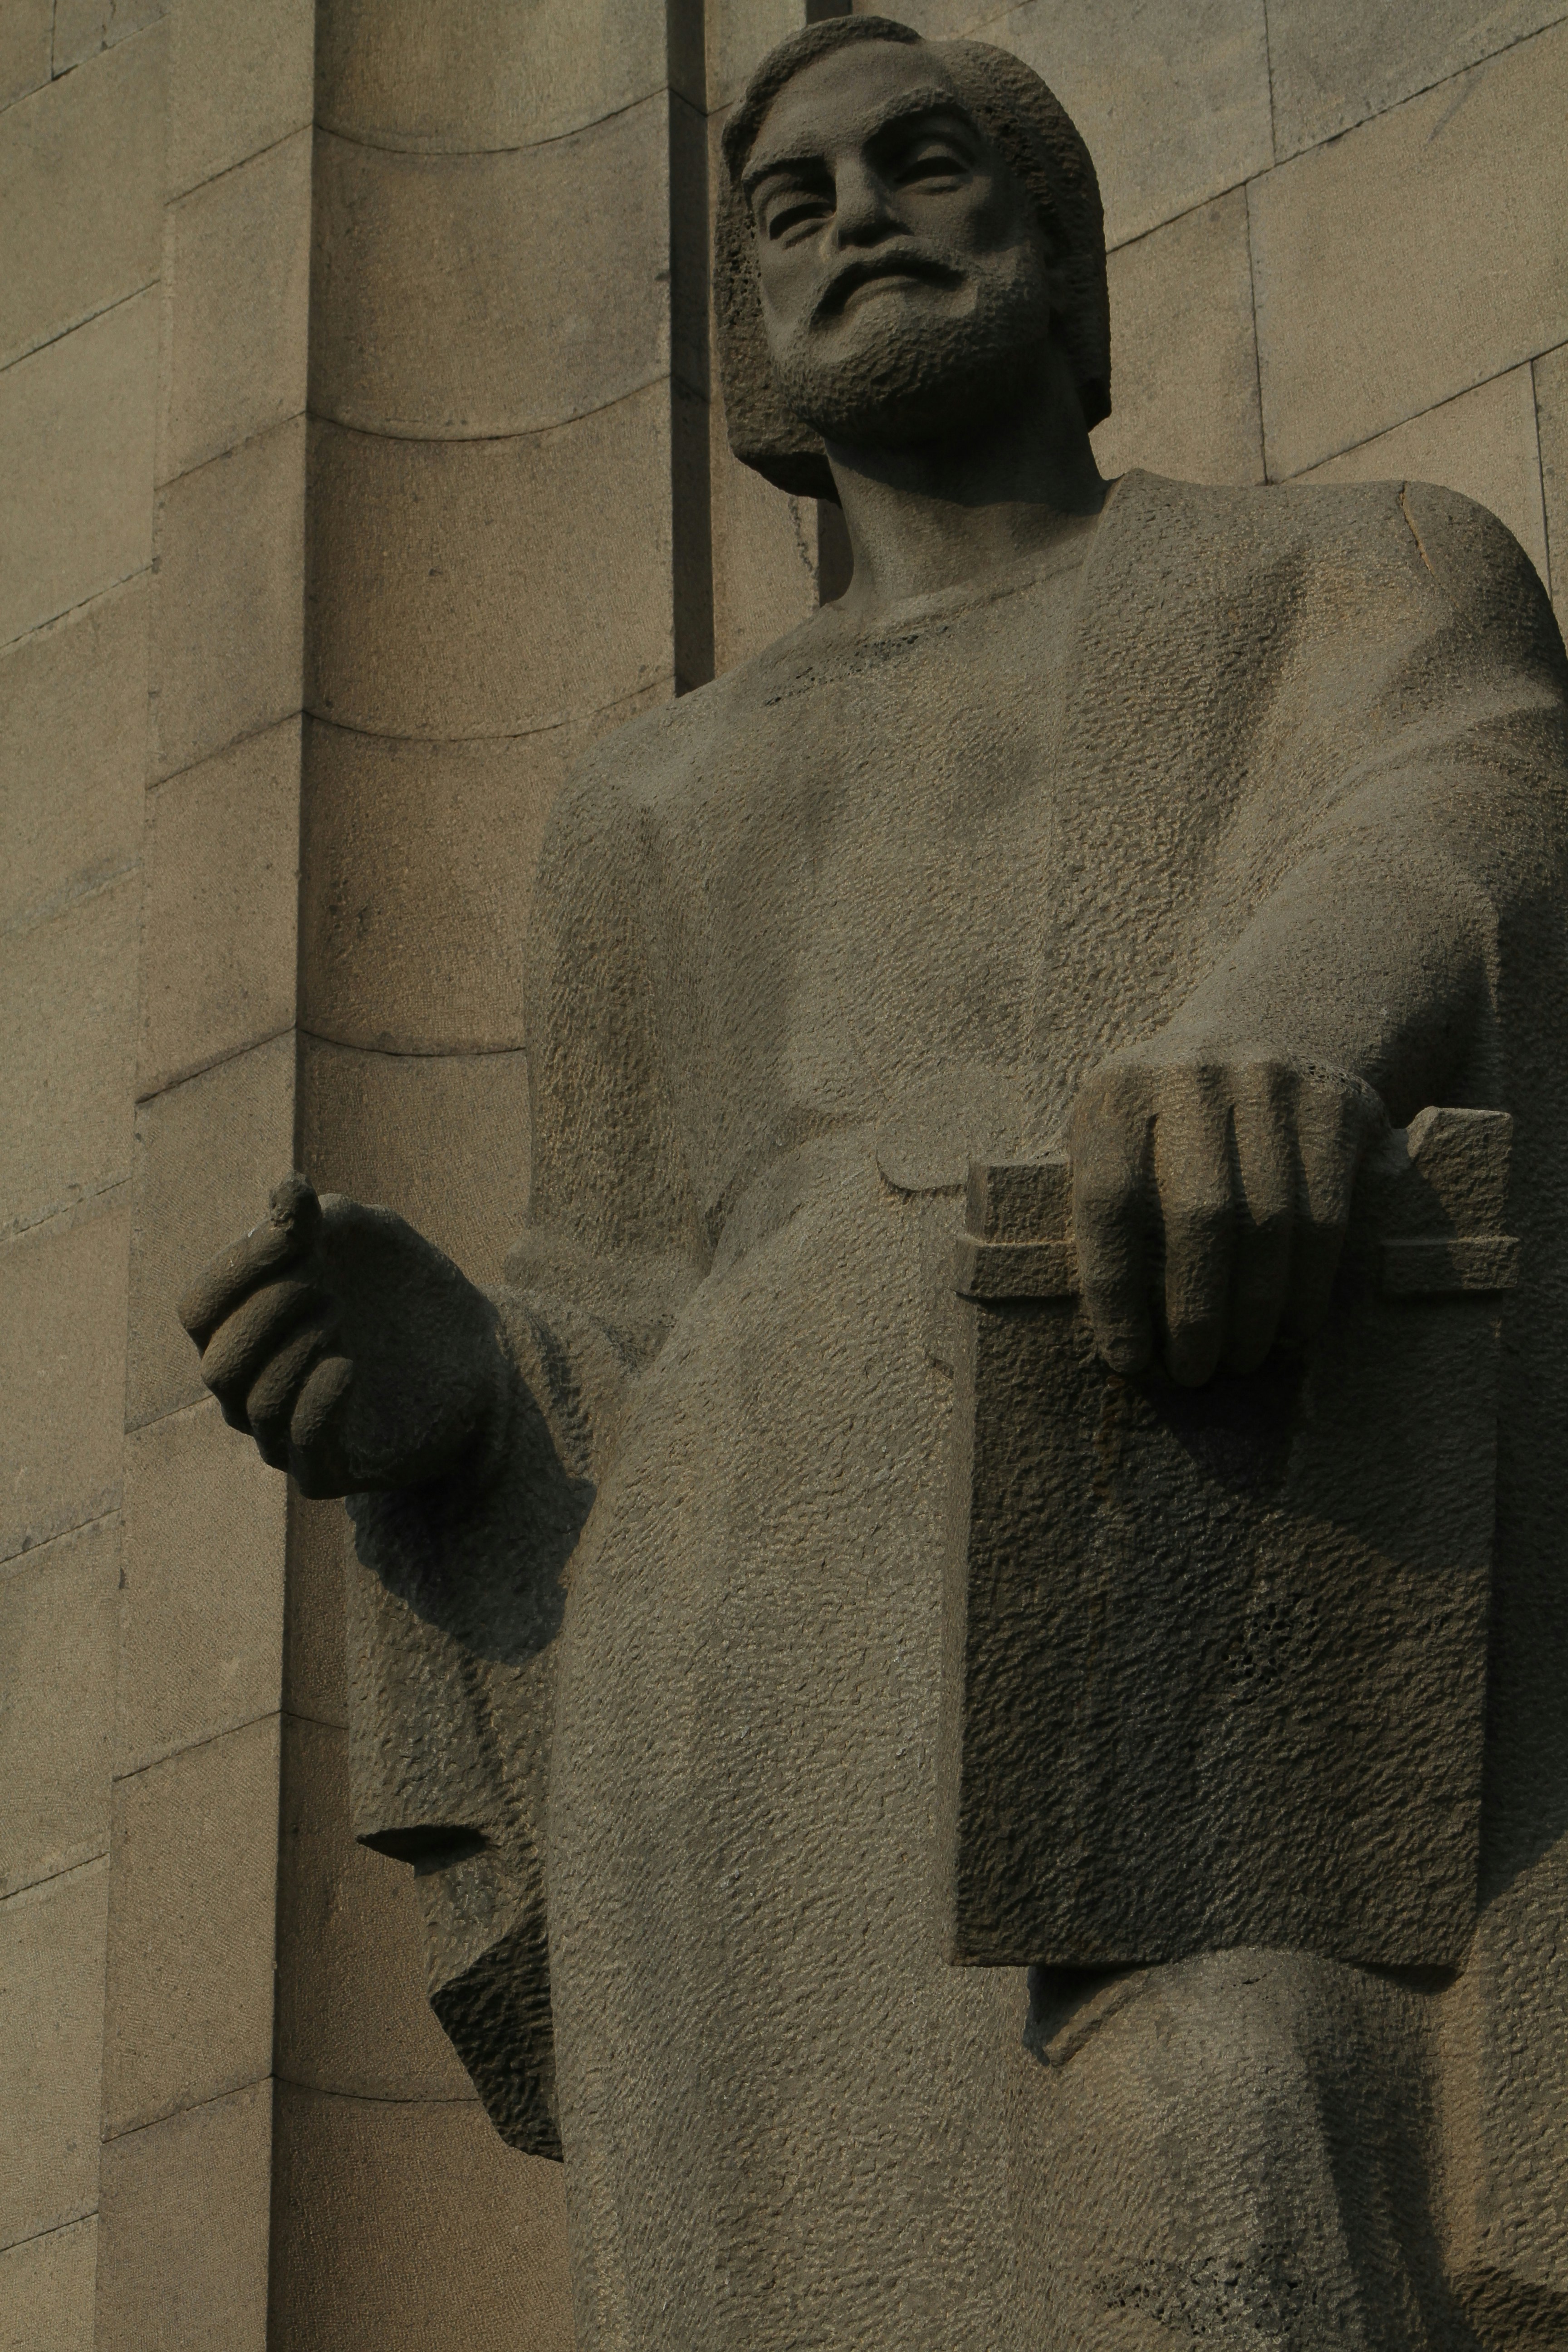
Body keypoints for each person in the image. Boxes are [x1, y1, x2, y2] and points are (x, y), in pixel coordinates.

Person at [179, 18, 1568, 2346]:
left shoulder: (1343, 570)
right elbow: (616, 1293)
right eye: (794, 207)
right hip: (738, 1627)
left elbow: (1469, 790)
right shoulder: (649, 806)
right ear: (754, 351)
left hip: (1192, 1491)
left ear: (1069, 268)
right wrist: (464, 1401)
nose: (864, 221)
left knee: (1232, 2136)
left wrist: (1285, 1028)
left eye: (929, 165)